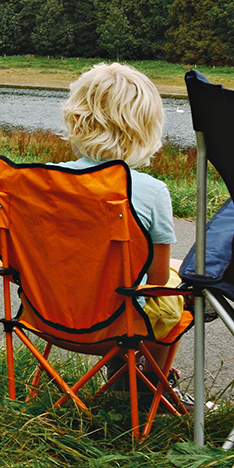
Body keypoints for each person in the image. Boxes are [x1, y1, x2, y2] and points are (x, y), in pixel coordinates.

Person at [57, 63, 186, 369]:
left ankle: (128, 371)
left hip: (49, 318)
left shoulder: (45, 181)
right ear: (146, 128)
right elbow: (157, 280)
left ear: (76, 120)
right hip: (121, 326)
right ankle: (149, 379)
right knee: (186, 280)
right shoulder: (152, 191)